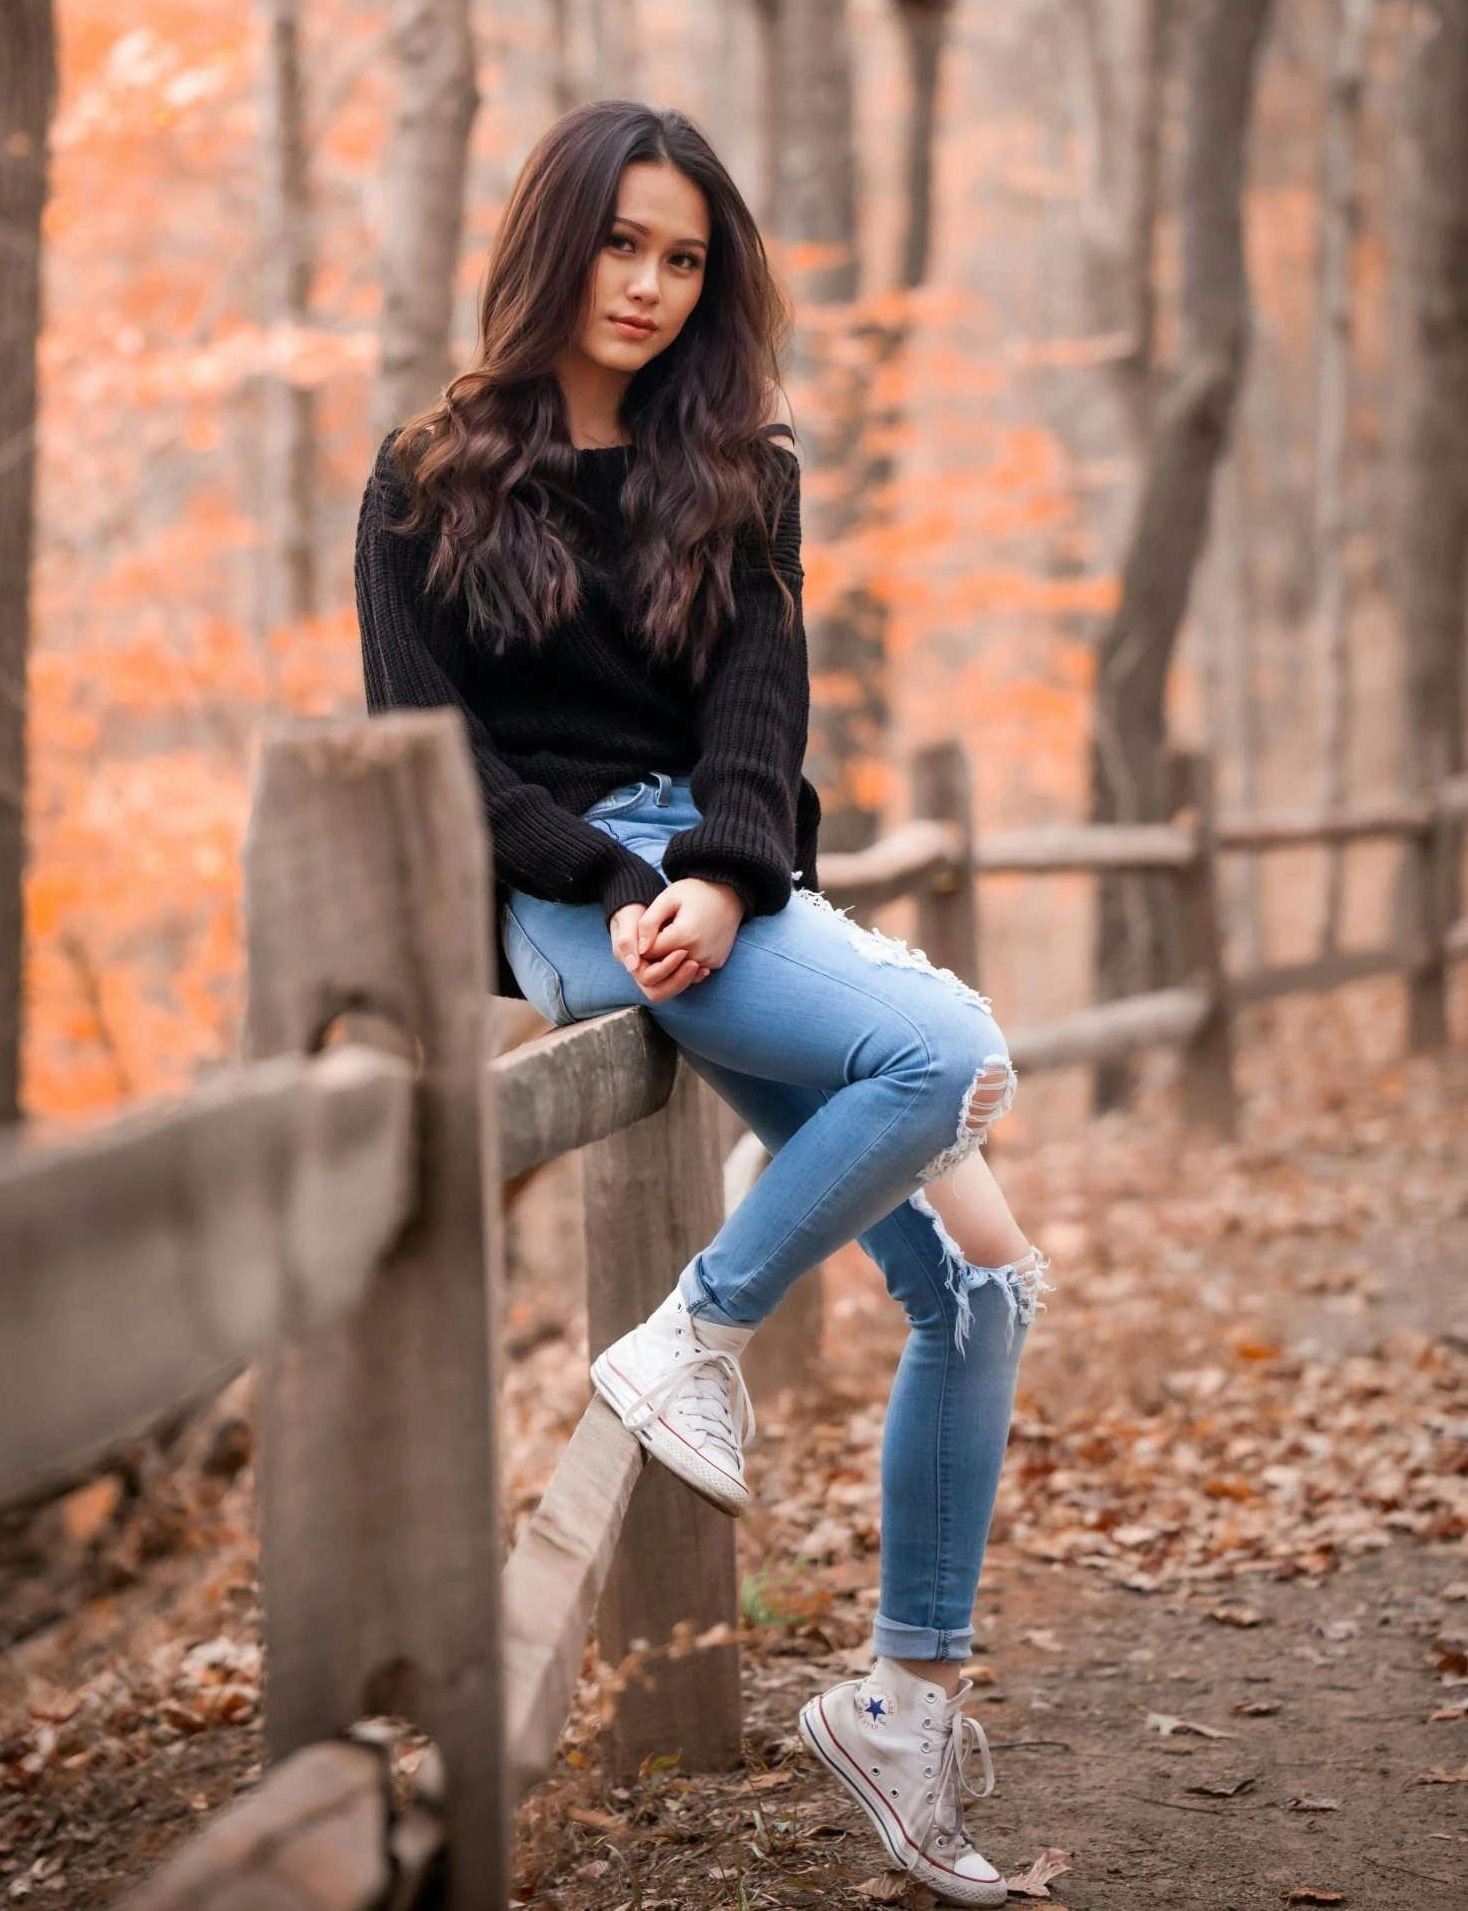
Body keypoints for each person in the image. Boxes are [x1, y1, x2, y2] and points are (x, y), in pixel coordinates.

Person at [356, 100, 1047, 1909]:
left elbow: (760, 713)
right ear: (552, 239)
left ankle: (903, 1696)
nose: (651, 285)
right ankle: (700, 1329)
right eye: (621, 244)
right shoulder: (423, 474)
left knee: (981, 1276)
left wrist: (729, 874)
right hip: (560, 897)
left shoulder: (740, 464)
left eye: (683, 257)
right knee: (951, 1052)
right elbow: (434, 753)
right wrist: (615, 881)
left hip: (724, 881)